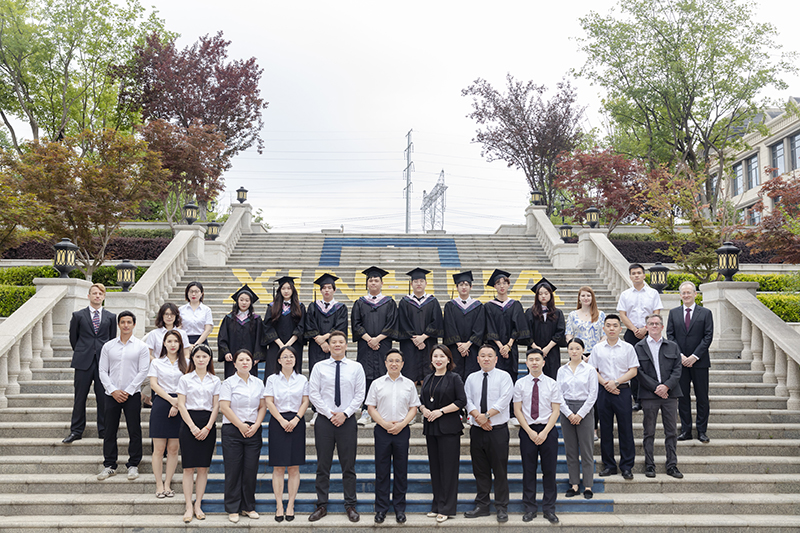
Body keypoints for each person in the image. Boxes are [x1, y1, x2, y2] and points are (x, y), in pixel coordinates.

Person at [307, 330, 366, 523]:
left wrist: (345, 414)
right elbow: (313, 393)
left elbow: (360, 394)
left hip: (347, 420)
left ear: (346, 345)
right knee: (322, 465)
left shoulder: (356, 367)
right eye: (334, 342)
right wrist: (329, 413)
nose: (338, 345)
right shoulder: (319, 367)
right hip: (325, 420)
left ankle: (350, 505)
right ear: (329, 345)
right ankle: (321, 505)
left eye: (341, 342)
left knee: (348, 465)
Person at [366, 348, 420, 524]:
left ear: (402, 364)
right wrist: (384, 424)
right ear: (385, 363)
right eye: (391, 360)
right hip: (382, 430)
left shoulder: (409, 384)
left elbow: (414, 408)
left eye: (397, 361)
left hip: (402, 431)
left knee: (401, 471)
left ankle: (399, 509)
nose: (394, 363)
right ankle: (381, 509)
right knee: (381, 471)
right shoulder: (377, 383)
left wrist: (402, 424)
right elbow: (371, 407)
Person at [96, 311, 150, 482]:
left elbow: (143, 371)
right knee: (109, 430)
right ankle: (109, 465)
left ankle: (133, 464)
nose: (126, 325)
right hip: (111, 394)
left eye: (129, 322)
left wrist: (129, 390)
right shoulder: (108, 346)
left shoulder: (141, 346)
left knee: (134, 430)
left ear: (134, 324)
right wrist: (113, 390)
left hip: (132, 394)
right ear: (118, 324)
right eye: (123, 322)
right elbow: (102, 370)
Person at [463, 344, 514, 523]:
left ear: (496, 359)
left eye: (489, 355)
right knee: (480, 470)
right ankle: (482, 505)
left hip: (497, 430)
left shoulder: (504, 376)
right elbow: (467, 399)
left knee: (500, 470)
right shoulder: (471, 378)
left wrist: (485, 417)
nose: (486, 358)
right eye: (482, 355)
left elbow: (504, 399)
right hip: (477, 430)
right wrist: (478, 418)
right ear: (477, 359)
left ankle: (501, 507)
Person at [514, 348, 563, 524]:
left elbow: (556, 410)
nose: (534, 362)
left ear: (543, 362)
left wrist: (544, 432)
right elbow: (517, 410)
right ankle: (530, 508)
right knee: (529, 471)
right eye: (531, 359)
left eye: (537, 359)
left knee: (549, 471)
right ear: (526, 363)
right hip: (527, 430)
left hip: (548, 431)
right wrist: (529, 431)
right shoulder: (520, 384)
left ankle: (549, 509)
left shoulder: (552, 383)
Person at [588, 314, 639, 480]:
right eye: (608, 325)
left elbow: (633, 370)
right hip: (604, 391)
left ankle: (627, 466)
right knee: (605, 429)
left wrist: (615, 382)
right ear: (603, 328)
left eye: (615, 325)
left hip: (622, 391)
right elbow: (592, 370)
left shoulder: (628, 348)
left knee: (626, 429)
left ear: (620, 328)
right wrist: (606, 384)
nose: (611, 328)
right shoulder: (597, 349)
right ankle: (609, 465)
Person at [63, 283, 116, 443]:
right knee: (80, 398)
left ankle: (104, 430)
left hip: (103, 363)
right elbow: (73, 338)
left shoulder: (111, 317)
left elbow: (112, 340)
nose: (97, 296)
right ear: (89, 296)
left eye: (100, 293)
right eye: (94, 293)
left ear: (104, 297)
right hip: (83, 362)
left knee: (103, 398)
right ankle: (76, 431)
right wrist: (83, 351)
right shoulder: (78, 315)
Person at [419, 344, 467, 523]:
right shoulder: (428, 378)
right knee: (435, 468)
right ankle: (437, 505)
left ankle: (447, 508)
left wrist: (440, 411)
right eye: (435, 356)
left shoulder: (454, 378)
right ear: (431, 359)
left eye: (442, 356)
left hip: (449, 428)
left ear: (448, 359)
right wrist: (423, 409)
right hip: (431, 427)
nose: (438, 359)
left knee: (448, 469)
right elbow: (421, 401)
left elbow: (461, 401)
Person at [634, 314, 684, 479]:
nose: (654, 326)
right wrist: (656, 387)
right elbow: (638, 372)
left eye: (657, 323)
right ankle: (649, 465)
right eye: (651, 323)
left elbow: (677, 369)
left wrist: (666, 386)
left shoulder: (672, 346)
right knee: (649, 432)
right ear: (646, 327)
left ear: (662, 327)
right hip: (649, 395)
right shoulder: (639, 347)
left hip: (670, 394)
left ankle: (672, 465)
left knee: (671, 431)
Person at [220, 349, 267, 523]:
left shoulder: (258, 383)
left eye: (248, 359)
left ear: (252, 362)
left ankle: (248, 506)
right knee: (233, 470)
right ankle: (233, 508)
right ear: (235, 363)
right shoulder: (228, 383)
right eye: (241, 360)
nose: (245, 362)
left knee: (250, 470)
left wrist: (256, 425)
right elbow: (224, 407)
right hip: (232, 430)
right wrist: (240, 425)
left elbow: (262, 406)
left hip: (253, 430)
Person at [264, 345, 310, 522]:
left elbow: (305, 401)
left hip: (297, 422)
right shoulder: (272, 379)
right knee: (278, 467)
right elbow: (269, 402)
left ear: (296, 359)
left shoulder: (302, 379)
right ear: (279, 360)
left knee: (294, 467)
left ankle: (290, 504)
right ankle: (279, 505)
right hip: (278, 422)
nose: (288, 359)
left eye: (291, 356)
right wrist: (282, 420)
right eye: (285, 356)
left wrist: (296, 419)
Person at [176, 344, 220, 523]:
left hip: (208, 423)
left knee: (203, 468)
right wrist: (193, 427)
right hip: (189, 422)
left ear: (209, 359)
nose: (201, 359)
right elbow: (181, 405)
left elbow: (216, 406)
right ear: (192, 359)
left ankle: (198, 504)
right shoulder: (185, 379)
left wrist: (208, 427)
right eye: (198, 356)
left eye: (204, 356)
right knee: (188, 468)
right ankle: (188, 505)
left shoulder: (215, 380)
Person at [667, 281, 714, 444]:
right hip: (680, 362)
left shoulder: (706, 313)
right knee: (683, 397)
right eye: (683, 293)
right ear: (680, 295)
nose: (686, 295)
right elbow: (670, 336)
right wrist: (680, 355)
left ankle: (702, 431)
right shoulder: (673, 313)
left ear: (695, 294)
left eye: (689, 292)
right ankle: (686, 430)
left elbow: (708, 336)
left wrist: (695, 356)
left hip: (700, 362)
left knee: (702, 397)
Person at [351, 266, 397, 426]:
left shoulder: (389, 302)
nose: (373, 282)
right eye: (370, 280)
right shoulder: (360, 302)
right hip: (365, 346)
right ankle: (366, 410)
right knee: (366, 377)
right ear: (367, 283)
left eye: (376, 280)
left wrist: (377, 339)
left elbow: (392, 323)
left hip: (383, 345)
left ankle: (383, 410)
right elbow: (356, 324)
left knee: (384, 375)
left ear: (381, 283)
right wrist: (369, 339)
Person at [617, 263, 663, 411]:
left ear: (643, 275)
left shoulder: (653, 293)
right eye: (633, 273)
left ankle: (651, 394)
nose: (636, 275)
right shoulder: (625, 294)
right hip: (632, 333)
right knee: (633, 365)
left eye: (639, 273)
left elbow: (656, 312)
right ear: (630, 276)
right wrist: (634, 329)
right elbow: (622, 314)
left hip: (650, 332)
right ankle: (637, 399)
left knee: (649, 364)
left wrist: (645, 328)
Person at [147, 330, 188, 499]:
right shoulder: (157, 363)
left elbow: (188, 385)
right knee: (159, 448)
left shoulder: (187, 363)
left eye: (176, 341)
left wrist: (177, 404)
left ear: (180, 344)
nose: (172, 344)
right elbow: (154, 385)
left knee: (173, 448)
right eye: (169, 341)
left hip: (181, 404)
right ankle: (158, 484)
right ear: (164, 343)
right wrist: (172, 401)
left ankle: (167, 484)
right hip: (161, 403)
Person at [556, 338, 598, 499]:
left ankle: (588, 485)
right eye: (571, 348)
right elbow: (558, 394)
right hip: (566, 409)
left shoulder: (589, 369)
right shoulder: (562, 370)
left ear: (583, 350)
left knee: (587, 449)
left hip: (585, 409)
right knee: (571, 449)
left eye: (577, 348)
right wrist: (568, 413)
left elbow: (593, 394)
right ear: (567, 350)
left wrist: (580, 414)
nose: (574, 351)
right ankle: (574, 484)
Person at [304, 273, 348, 425]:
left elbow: (341, 326)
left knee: (334, 379)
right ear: (321, 290)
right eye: (324, 288)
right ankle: (317, 411)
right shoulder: (313, 307)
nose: (327, 290)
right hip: (316, 348)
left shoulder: (341, 308)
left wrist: (327, 339)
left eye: (329, 287)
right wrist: (320, 340)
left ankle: (336, 409)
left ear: (334, 290)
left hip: (334, 348)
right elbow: (309, 325)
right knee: (317, 380)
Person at [397, 268, 444, 384]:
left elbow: (437, 321)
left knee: (428, 375)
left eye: (421, 281)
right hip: (409, 344)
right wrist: (415, 339)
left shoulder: (432, 301)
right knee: (410, 377)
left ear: (426, 283)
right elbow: (402, 321)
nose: (419, 284)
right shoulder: (404, 302)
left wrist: (423, 337)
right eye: (416, 281)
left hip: (428, 343)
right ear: (411, 284)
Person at [442, 270, 485, 380]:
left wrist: (468, 344)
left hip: (472, 348)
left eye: (466, 284)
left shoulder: (478, 306)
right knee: (455, 375)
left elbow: (480, 326)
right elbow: (449, 325)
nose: (464, 287)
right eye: (461, 284)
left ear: (471, 287)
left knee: (473, 376)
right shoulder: (450, 306)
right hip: (455, 348)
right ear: (457, 287)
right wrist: (459, 345)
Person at [218, 285, 264, 379]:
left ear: (251, 302)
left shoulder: (256, 319)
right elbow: (222, 337)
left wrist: (257, 356)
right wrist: (226, 352)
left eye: (247, 300)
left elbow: (260, 338)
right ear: (237, 301)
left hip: (250, 359)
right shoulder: (228, 319)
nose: (244, 303)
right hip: (232, 358)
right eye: (241, 300)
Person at [525, 277, 566, 380]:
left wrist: (547, 348)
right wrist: (535, 347)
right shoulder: (530, 312)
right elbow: (526, 331)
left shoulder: (558, 313)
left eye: (546, 293)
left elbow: (560, 332)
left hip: (552, 351)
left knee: (552, 378)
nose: (543, 296)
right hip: (534, 351)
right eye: (540, 293)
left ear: (551, 295)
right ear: (537, 295)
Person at [263, 276, 305, 376]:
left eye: (289, 288)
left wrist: (288, 344)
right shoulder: (272, 307)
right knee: (273, 372)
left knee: (293, 372)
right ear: (279, 290)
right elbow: (267, 326)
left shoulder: (300, 307)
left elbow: (301, 326)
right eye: (283, 288)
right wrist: (281, 344)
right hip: (276, 345)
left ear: (293, 290)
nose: (286, 291)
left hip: (294, 345)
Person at [566, 286, 606, 355]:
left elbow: (604, 336)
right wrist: (575, 350)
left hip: (596, 353)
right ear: (579, 298)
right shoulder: (572, 315)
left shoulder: (601, 315)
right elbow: (569, 335)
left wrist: (595, 352)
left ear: (592, 298)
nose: (586, 298)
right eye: (583, 296)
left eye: (588, 296)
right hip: (577, 354)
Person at [179, 281, 213, 349]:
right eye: (191, 291)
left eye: (196, 291)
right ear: (187, 293)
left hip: (201, 341)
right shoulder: (181, 310)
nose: (193, 294)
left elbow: (208, 330)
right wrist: (187, 344)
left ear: (201, 293)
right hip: (185, 341)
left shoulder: (206, 310)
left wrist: (196, 345)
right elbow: (178, 328)